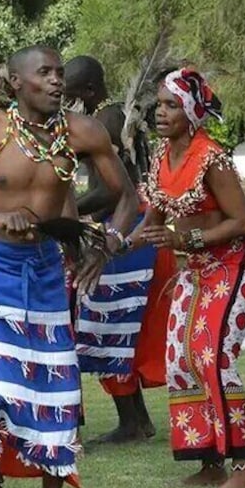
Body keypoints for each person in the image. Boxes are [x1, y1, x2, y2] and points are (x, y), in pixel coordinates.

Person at [0, 45, 139, 488]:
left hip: (44, 270)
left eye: (59, 72)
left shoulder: (83, 132)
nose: (57, 80)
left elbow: (126, 195)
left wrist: (108, 245)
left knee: (54, 386)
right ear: (17, 81)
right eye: (45, 72)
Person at [124, 68, 245, 488]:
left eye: (171, 105)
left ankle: (242, 468)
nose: (160, 112)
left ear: (191, 112)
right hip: (196, 269)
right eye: (159, 104)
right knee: (181, 359)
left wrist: (185, 240)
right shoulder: (161, 157)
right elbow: (152, 223)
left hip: (235, 265)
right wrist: (113, 245)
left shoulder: (212, 158)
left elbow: (242, 222)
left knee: (213, 358)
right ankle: (209, 462)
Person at [65, 55, 176, 444]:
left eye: (70, 94)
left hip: (126, 227)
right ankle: (135, 420)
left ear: (89, 90)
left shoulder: (105, 119)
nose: (65, 102)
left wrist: (63, 212)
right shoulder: (106, 117)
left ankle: (133, 421)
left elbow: (115, 190)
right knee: (111, 326)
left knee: (111, 324)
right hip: (124, 225)